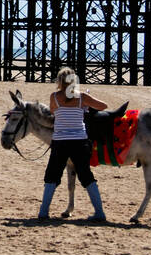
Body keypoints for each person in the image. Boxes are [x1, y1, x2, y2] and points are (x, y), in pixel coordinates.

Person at [39, 67, 109, 223]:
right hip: (79, 141)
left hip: (60, 141)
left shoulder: (54, 97)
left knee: (52, 176)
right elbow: (104, 106)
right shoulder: (82, 97)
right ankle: (99, 212)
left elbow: (53, 111)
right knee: (86, 176)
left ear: (59, 81)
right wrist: (86, 103)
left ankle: (43, 211)